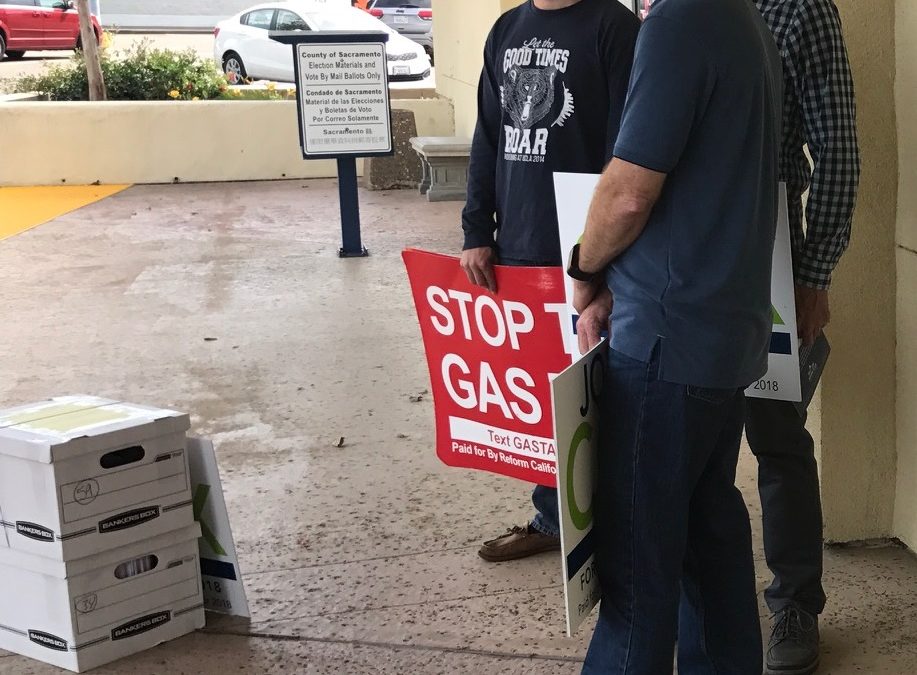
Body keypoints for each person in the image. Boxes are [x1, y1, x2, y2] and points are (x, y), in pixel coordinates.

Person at [569, 0, 782, 670]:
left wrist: (585, 267)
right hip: (722, 336)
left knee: (637, 574)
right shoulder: (742, 21)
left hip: (664, 341)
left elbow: (628, 193)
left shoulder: (677, 23)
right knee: (708, 545)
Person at [459, 0, 639, 563]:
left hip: (586, 249)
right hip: (518, 246)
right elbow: (488, 135)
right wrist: (476, 229)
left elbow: (625, 153)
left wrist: (605, 264)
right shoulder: (507, 29)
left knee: (602, 394)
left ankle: (616, 524)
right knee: (543, 399)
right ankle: (553, 517)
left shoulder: (614, 28)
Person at [750, 2, 860, 673]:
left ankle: (794, 602)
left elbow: (837, 151)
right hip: (682, 257)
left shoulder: (800, 9)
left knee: (777, 439)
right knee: (687, 438)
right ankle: (697, 590)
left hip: (769, 262)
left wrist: (814, 273)